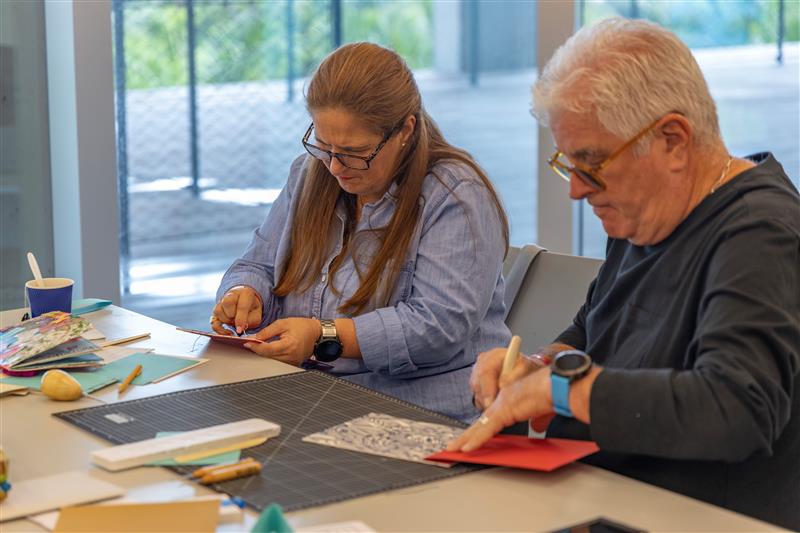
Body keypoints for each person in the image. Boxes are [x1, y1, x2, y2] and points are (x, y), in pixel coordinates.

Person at [448, 18, 799, 529]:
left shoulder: (761, 234)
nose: (576, 190)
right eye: (568, 164)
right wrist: (538, 367)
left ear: (673, 141)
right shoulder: (645, 214)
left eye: (591, 164)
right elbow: (591, 335)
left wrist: (563, 391)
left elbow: (734, 408)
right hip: (599, 502)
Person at [211, 42, 511, 422]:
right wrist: (244, 293)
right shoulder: (309, 173)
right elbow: (258, 263)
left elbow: (438, 326)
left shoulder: (455, 196)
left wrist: (322, 337)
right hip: (318, 400)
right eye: (323, 145)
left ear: (405, 129)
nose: (335, 167)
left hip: (425, 413)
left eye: (355, 152)